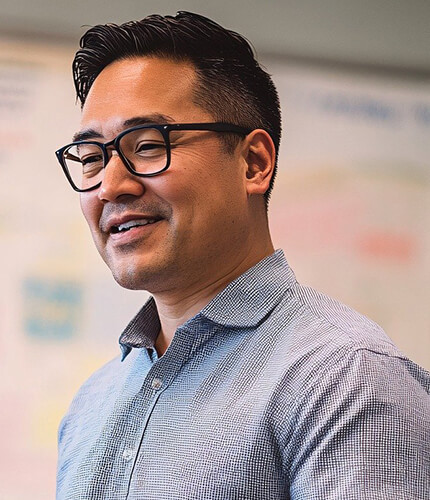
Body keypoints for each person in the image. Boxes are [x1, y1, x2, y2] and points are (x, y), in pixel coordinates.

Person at [55, 11, 430, 500]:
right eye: (91, 158)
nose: (110, 186)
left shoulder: (345, 379)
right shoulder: (91, 404)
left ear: (254, 163)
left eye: (146, 146)